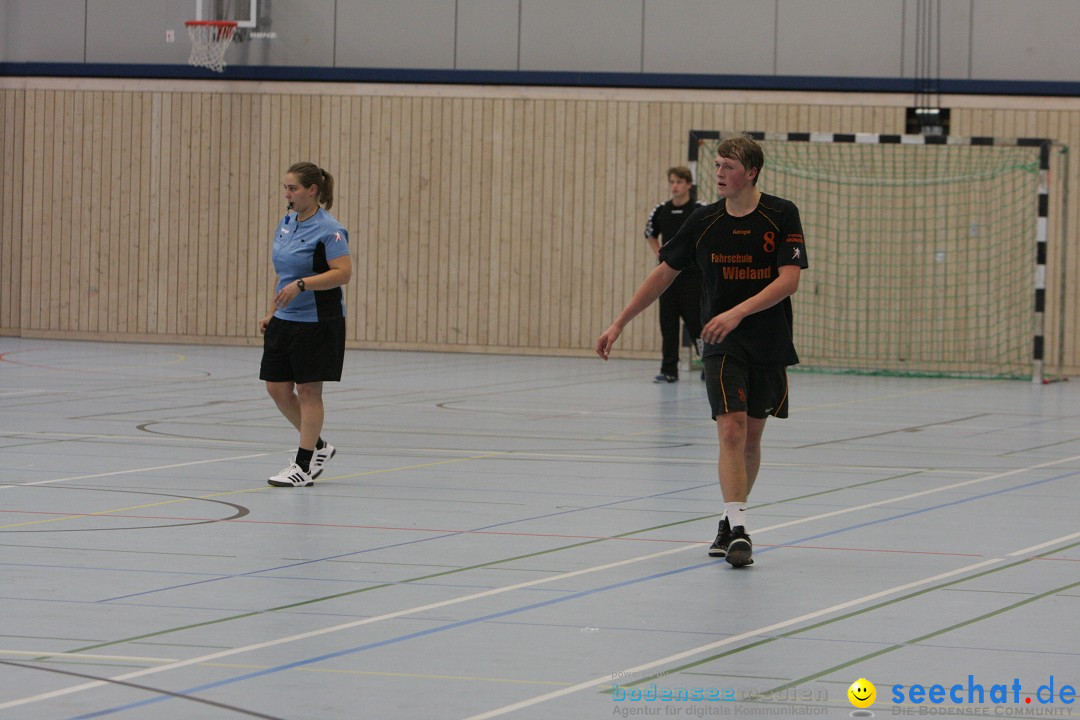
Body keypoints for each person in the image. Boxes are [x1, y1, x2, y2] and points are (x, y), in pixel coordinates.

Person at [597, 135, 808, 567]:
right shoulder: (704, 220)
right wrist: (619, 322)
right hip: (720, 340)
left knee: (751, 435)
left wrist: (739, 312)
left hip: (767, 338)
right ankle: (740, 529)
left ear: (750, 172)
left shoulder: (781, 213)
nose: (718, 175)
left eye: (727, 167)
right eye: (716, 166)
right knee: (729, 429)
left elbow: (788, 280)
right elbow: (663, 274)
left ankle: (728, 518)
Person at [259, 162, 353, 487]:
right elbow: (282, 271)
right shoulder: (286, 223)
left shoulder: (330, 229)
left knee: (308, 391)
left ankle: (302, 466)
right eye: (285, 188)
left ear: (312, 190)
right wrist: (272, 312)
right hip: (285, 320)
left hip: (318, 321)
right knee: (277, 388)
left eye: (293, 188)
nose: (287, 194)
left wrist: (303, 284)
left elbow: (343, 273)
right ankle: (319, 446)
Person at [645, 166, 704, 383]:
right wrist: (659, 253)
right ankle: (669, 369)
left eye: (679, 182)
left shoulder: (699, 209)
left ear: (689, 184)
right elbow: (650, 233)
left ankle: (709, 363)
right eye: (672, 182)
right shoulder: (661, 210)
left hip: (693, 277)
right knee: (668, 325)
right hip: (668, 279)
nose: (675, 186)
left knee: (698, 324)